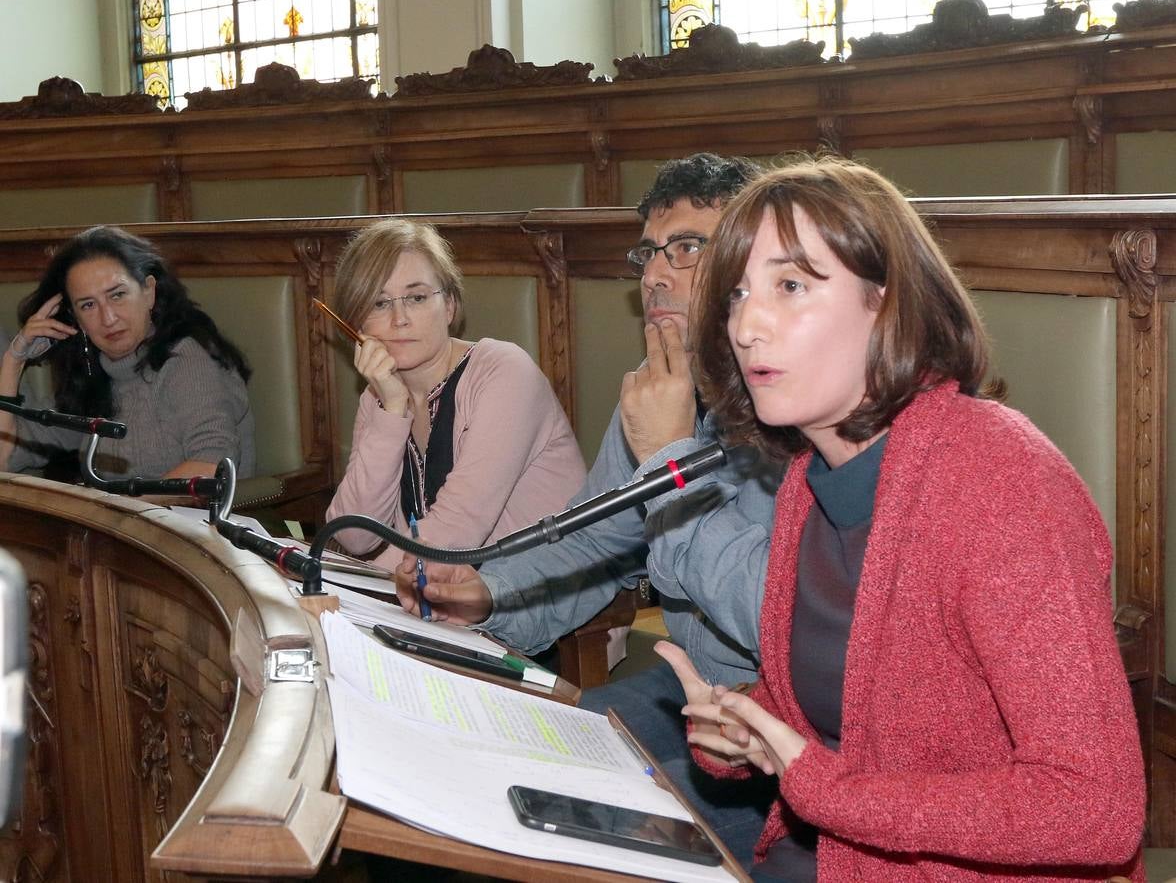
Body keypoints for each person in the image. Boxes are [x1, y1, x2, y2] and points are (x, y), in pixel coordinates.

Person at [656, 156, 1145, 881]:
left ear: (887, 304)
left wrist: (826, 789)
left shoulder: (999, 479)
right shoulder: (809, 477)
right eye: (736, 295)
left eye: (791, 285)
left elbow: (1094, 807)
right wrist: (744, 724)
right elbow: (855, 711)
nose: (748, 326)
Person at [393, 154, 782, 865]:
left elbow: (785, 619)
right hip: (687, 688)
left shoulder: (800, 398)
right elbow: (594, 539)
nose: (655, 274)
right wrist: (487, 590)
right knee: (504, 781)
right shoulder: (663, 389)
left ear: (751, 264)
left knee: (599, 848)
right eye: (648, 254)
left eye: (687, 249)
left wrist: (667, 459)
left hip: (782, 721)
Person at [324, 218, 585, 572]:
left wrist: (351, 583)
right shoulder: (379, 398)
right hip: (440, 604)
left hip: (541, 604)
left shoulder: (504, 372)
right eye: (379, 303)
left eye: (416, 297)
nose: (399, 319)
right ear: (356, 326)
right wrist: (392, 409)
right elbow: (355, 536)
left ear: (448, 306)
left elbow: (457, 529)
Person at [0, 225, 255, 480]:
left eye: (118, 295)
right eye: (88, 305)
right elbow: (4, 457)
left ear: (149, 292)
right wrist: (13, 361)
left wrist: (121, 511)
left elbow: (210, 467)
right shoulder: (94, 373)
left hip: (187, 519)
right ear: (74, 318)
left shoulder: (187, 359)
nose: (108, 318)